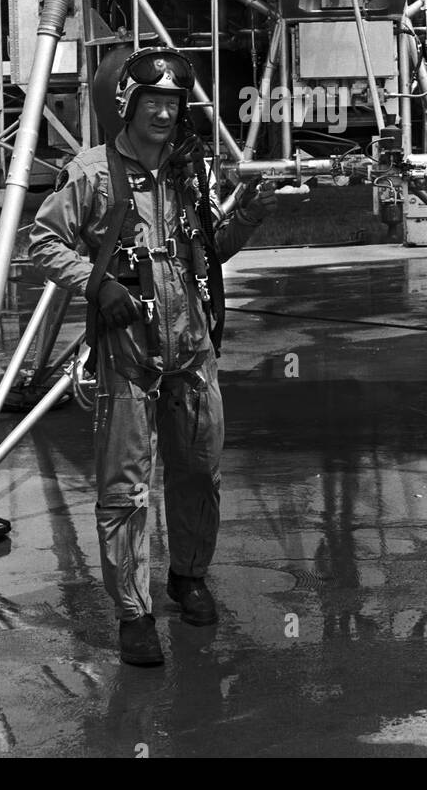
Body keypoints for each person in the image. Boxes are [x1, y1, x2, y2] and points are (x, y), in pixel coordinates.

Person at [29, 47, 275, 665]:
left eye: (172, 103)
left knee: (199, 472)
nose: (165, 114)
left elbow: (211, 249)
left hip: (192, 351)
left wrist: (249, 217)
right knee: (125, 491)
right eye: (153, 103)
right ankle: (134, 614)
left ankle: (188, 576)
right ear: (127, 108)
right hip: (129, 355)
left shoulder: (189, 173)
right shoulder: (91, 174)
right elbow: (43, 239)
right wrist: (96, 282)